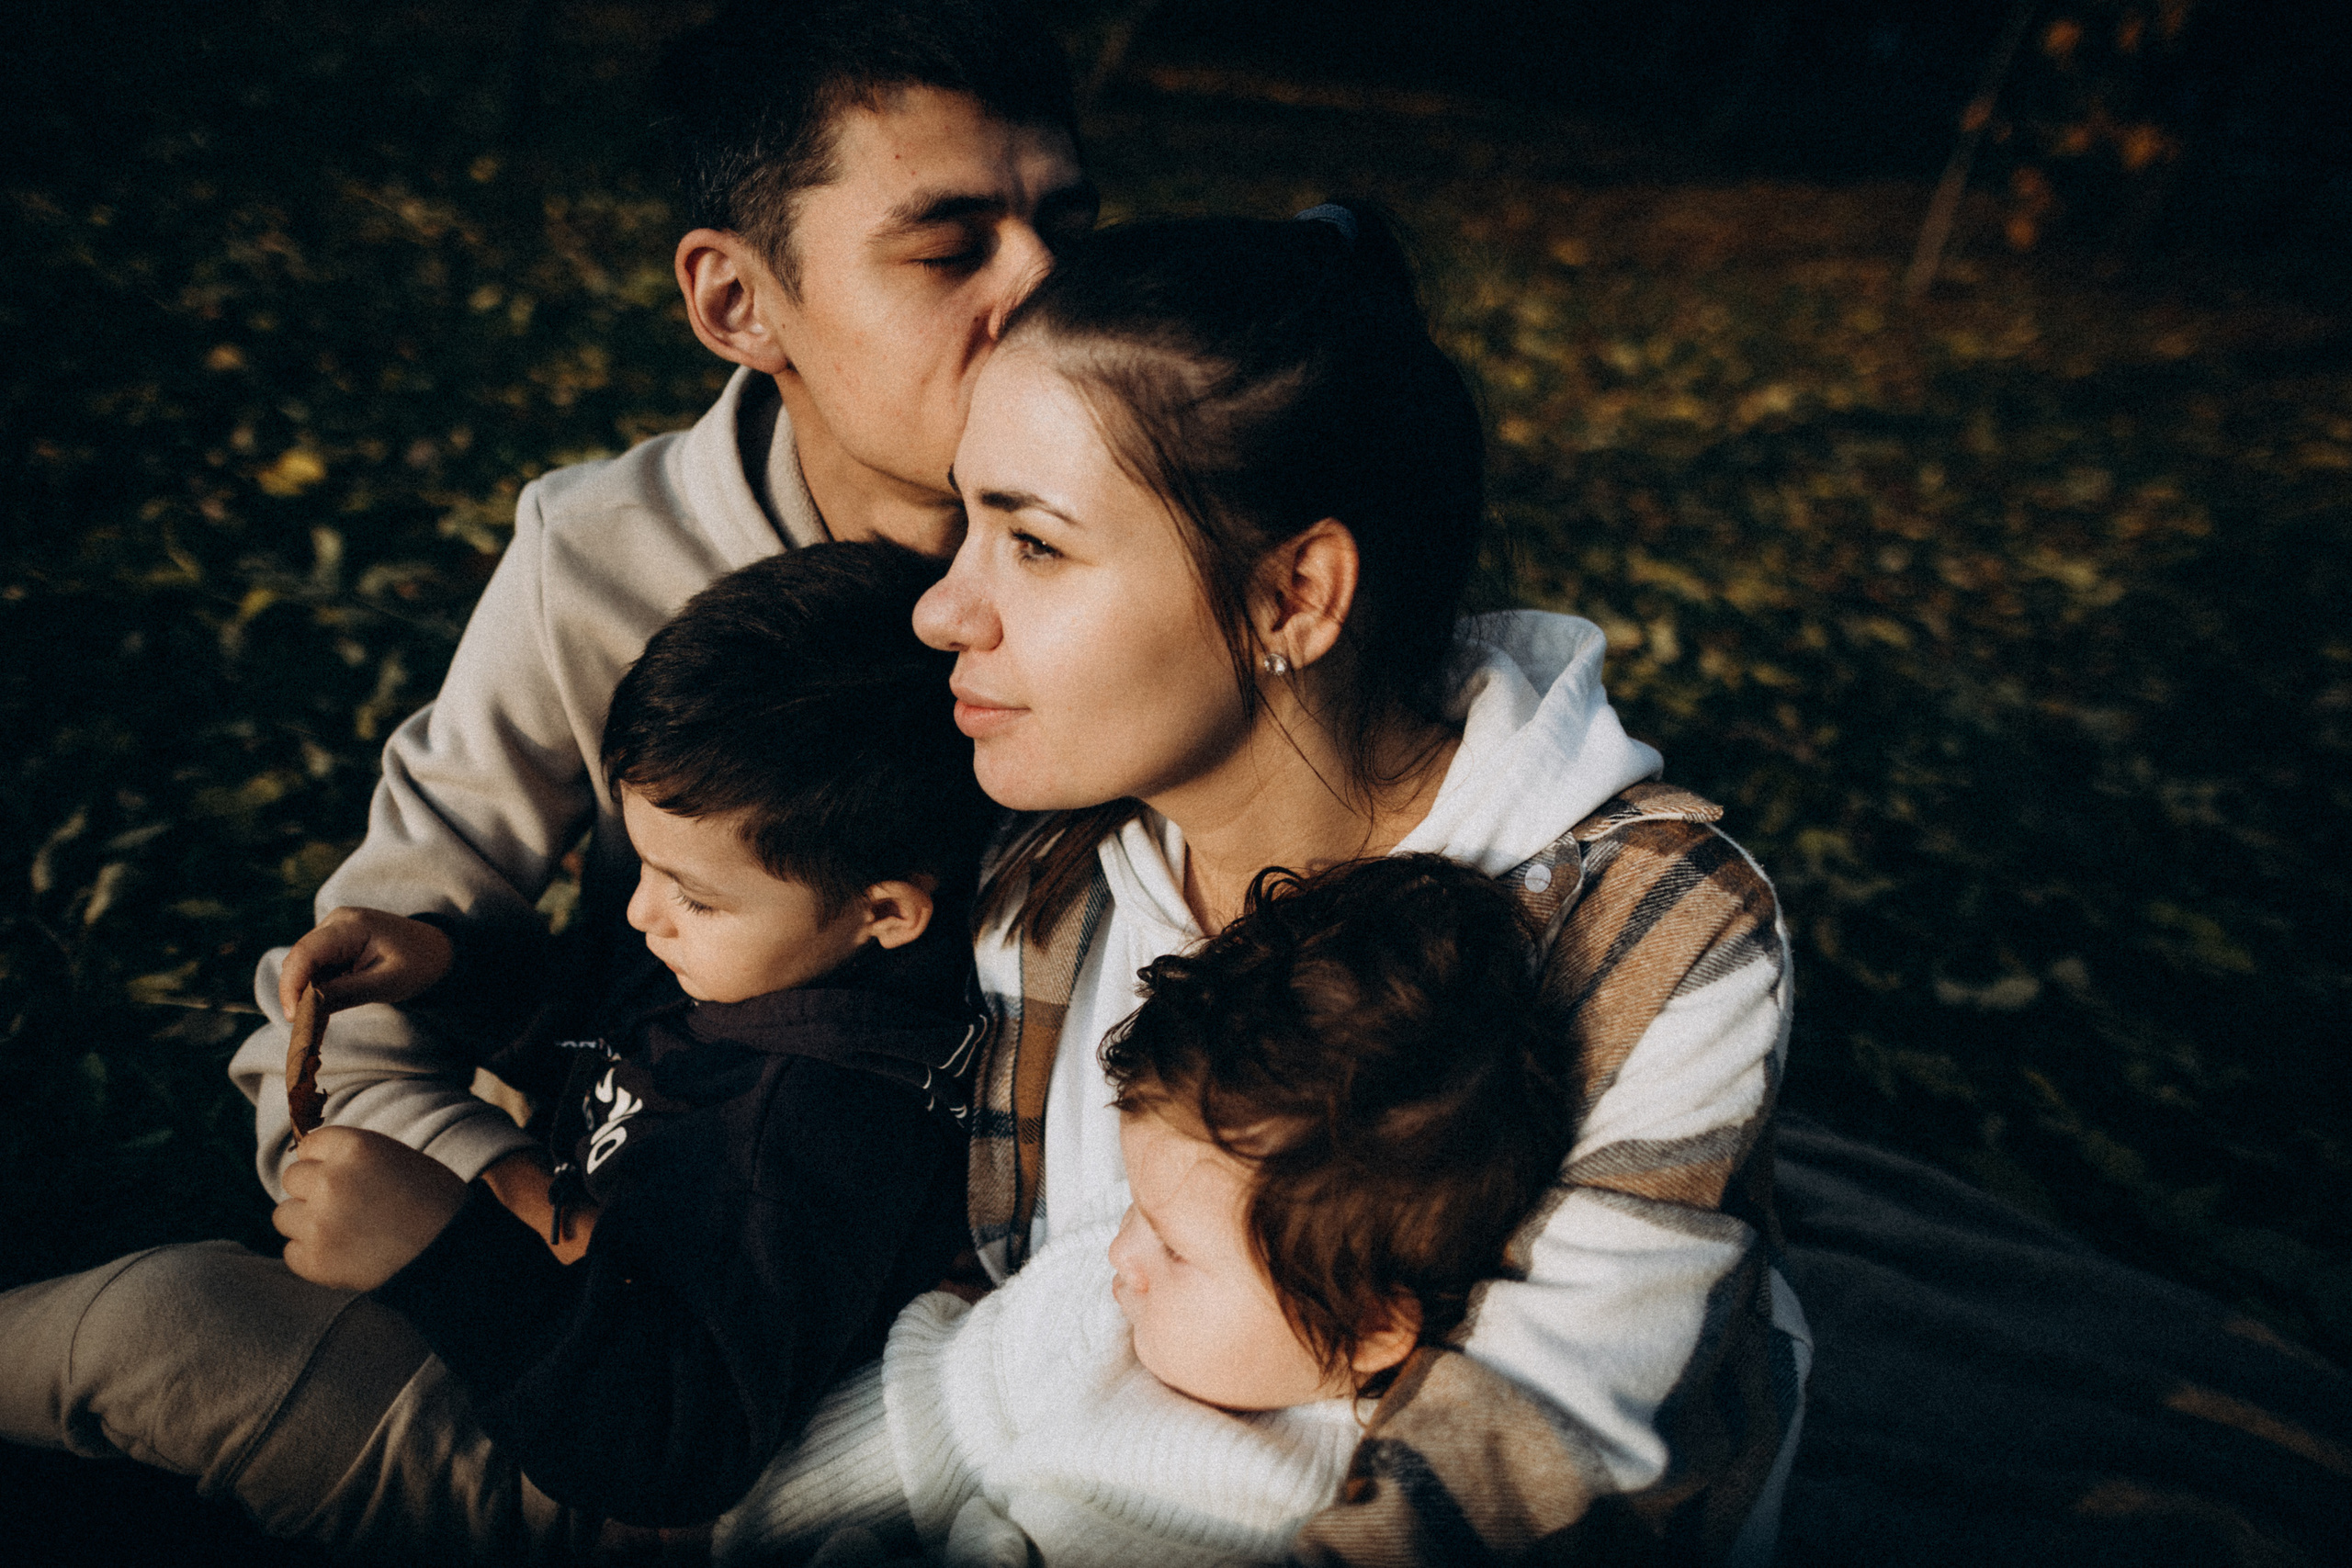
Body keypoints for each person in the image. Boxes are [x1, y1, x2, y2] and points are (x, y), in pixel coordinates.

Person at [888, 204, 1813, 1564]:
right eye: (965, 522)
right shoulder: (1048, 876)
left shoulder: (1657, 933)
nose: (943, 609)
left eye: (1033, 543)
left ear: (1294, 597)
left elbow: (1541, 1460)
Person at [224, 0, 1092, 1220]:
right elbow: (352, 1005)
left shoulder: (1166, 561)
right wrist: (518, 1207)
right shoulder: (600, 559)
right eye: (950, 250)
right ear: (739, 301)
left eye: (1068, 226)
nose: (1048, 288)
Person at [0, 544, 996, 1551]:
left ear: (887, 911)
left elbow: (672, 1442)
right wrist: (444, 969)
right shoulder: (764, 951)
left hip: (592, 1485)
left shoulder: (815, 1138)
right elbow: (606, 1031)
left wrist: (446, 1254)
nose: (645, 911)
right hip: (533, 1353)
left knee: (160, 1328)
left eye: (690, 893)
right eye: (643, 863)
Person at [718, 855, 1579, 1566]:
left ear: (1362, 1327)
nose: (1119, 1253)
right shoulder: (1092, 1307)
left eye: (1173, 1246)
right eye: (1138, 1208)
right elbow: (923, 1412)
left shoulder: (1320, 1506)